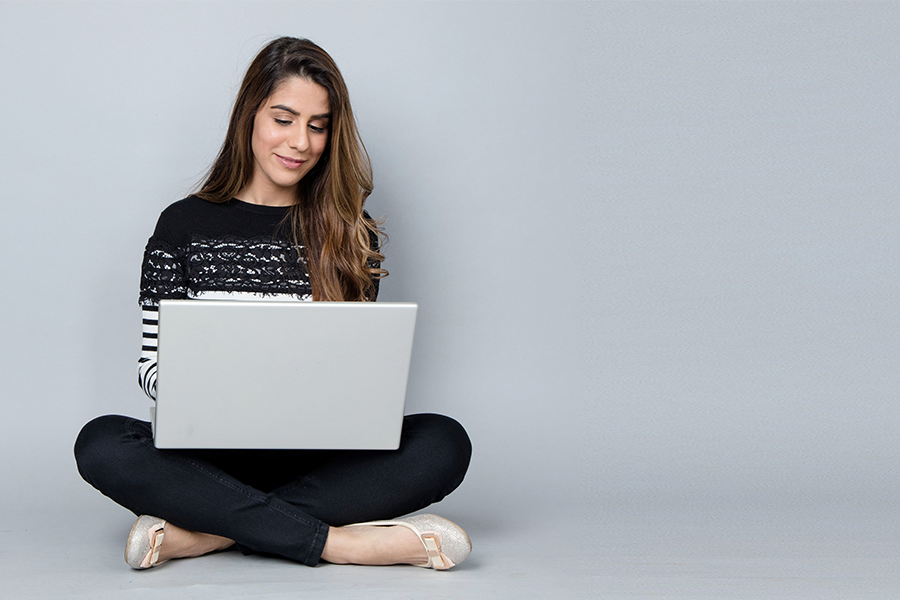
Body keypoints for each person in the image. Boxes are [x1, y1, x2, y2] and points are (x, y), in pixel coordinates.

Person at [74, 37, 472, 571]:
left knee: (445, 442)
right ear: (250, 116)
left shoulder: (352, 233)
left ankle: (208, 531)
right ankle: (340, 543)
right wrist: (211, 389)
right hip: (205, 456)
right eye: (284, 119)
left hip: (320, 459)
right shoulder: (181, 225)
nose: (300, 142)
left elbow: (358, 376)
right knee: (100, 443)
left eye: (317, 124)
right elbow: (151, 366)